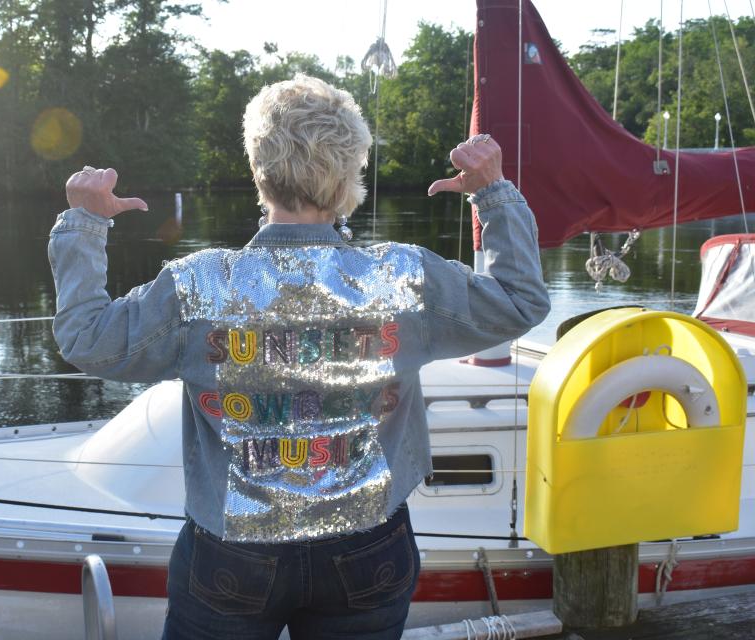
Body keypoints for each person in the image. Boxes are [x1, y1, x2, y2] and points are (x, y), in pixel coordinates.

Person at [49, 74, 550, 639]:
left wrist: (86, 222)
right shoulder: (403, 278)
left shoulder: (197, 286)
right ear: (348, 175)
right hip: (368, 544)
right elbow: (519, 300)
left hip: (233, 553)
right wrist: (494, 191)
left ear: (259, 172)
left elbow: (87, 338)